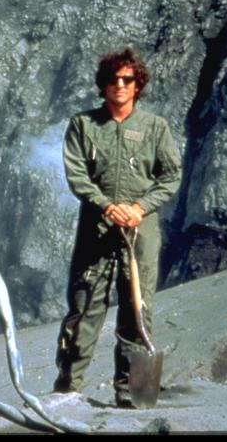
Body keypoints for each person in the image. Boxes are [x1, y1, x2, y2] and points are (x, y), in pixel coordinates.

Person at [52, 47, 182, 408]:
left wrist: (140, 207)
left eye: (127, 79)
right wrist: (108, 206)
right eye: (112, 79)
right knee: (84, 309)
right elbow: (76, 174)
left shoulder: (155, 128)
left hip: (141, 232)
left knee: (137, 310)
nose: (119, 85)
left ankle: (133, 396)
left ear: (138, 85)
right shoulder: (84, 125)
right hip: (97, 229)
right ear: (103, 85)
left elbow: (171, 176)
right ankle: (67, 390)